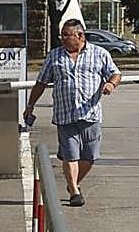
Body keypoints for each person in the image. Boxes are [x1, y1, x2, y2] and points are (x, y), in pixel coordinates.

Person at [24, 19, 121, 207]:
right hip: (65, 115)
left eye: (66, 35)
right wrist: (30, 105)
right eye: (62, 35)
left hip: (90, 114)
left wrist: (111, 84)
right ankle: (75, 192)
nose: (62, 39)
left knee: (90, 157)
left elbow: (115, 73)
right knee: (70, 156)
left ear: (80, 35)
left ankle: (73, 183)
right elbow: (41, 83)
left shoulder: (99, 54)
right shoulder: (54, 56)